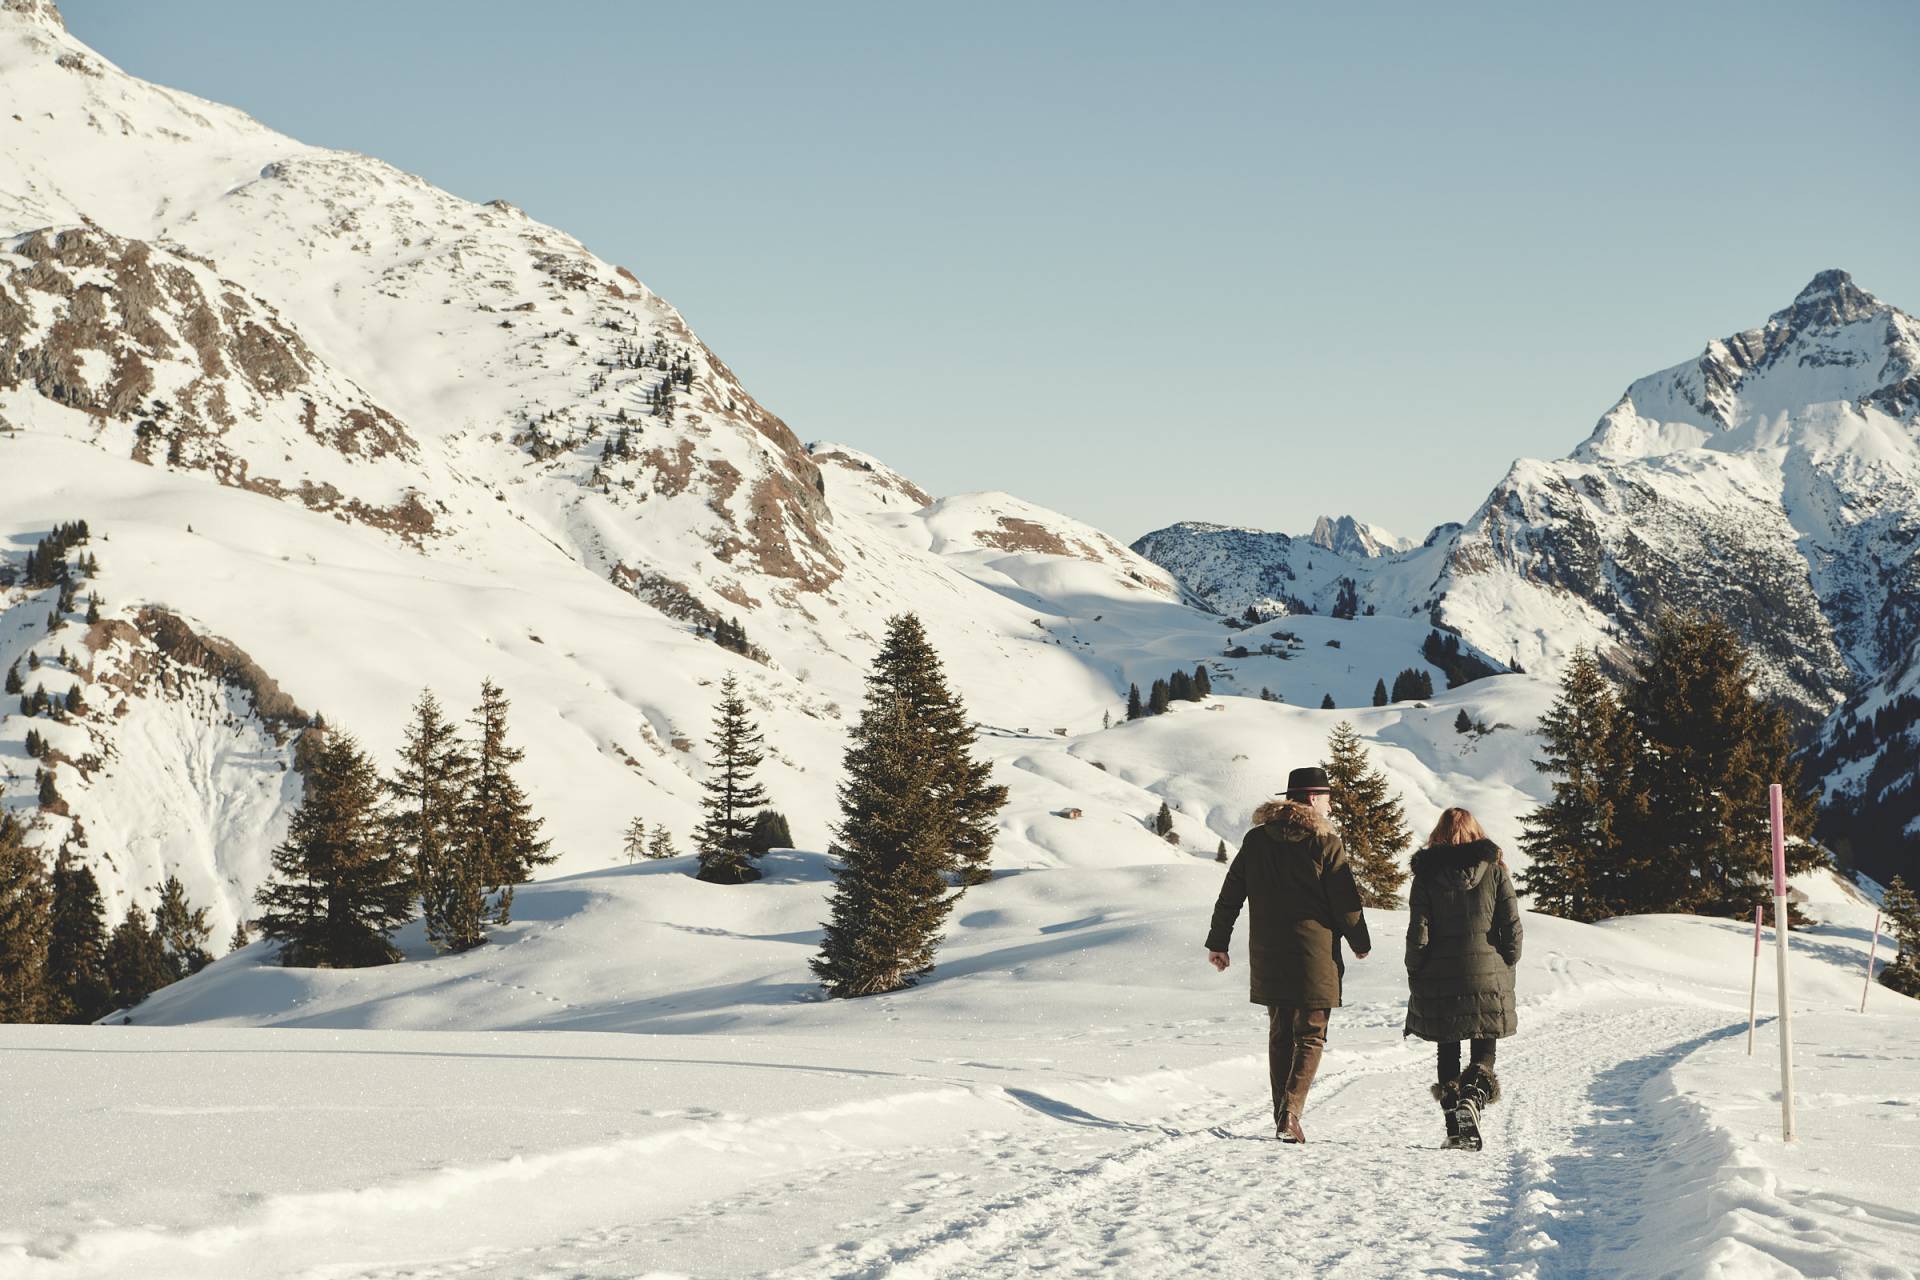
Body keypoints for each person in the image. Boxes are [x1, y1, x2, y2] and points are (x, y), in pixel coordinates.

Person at [1206, 766, 1371, 1143]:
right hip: (1314, 954)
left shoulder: (1256, 840)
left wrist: (1219, 942)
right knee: (1311, 1034)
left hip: (1268, 953)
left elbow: (1231, 895)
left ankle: (1281, 1114)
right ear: (1313, 798)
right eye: (1327, 798)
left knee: (1281, 1033)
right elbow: (1344, 900)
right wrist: (1359, 941)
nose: (1330, 805)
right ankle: (1290, 1113)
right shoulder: (1324, 841)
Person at [1403, 806, 1522, 1151]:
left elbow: (1418, 931)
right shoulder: (1495, 871)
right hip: (1488, 974)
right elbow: (1512, 926)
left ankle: (1456, 1129)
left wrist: (1415, 967)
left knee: (1448, 1048)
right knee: (1484, 1042)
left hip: (1441, 975)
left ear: (1438, 835)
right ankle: (1474, 1095)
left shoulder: (1426, 876)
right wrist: (1506, 961)